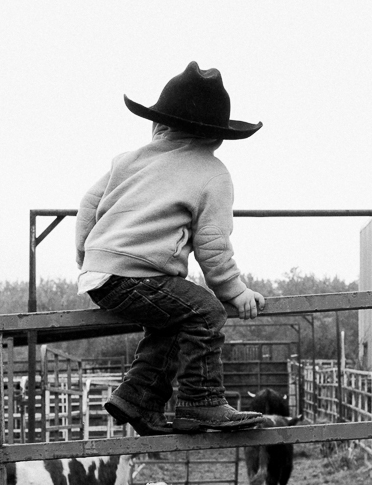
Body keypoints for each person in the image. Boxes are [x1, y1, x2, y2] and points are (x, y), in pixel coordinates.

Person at [76, 62, 268, 434]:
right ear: (216, 136)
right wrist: (234, 291)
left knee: (170, 324)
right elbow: (212, 244)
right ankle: (201, 401)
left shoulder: (128, 160)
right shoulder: (212, 173)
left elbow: (88, 204)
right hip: (137, 276)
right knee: (206, 312)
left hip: (100, 275)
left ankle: (136, 399)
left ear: (158, 124)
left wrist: (88, 256)